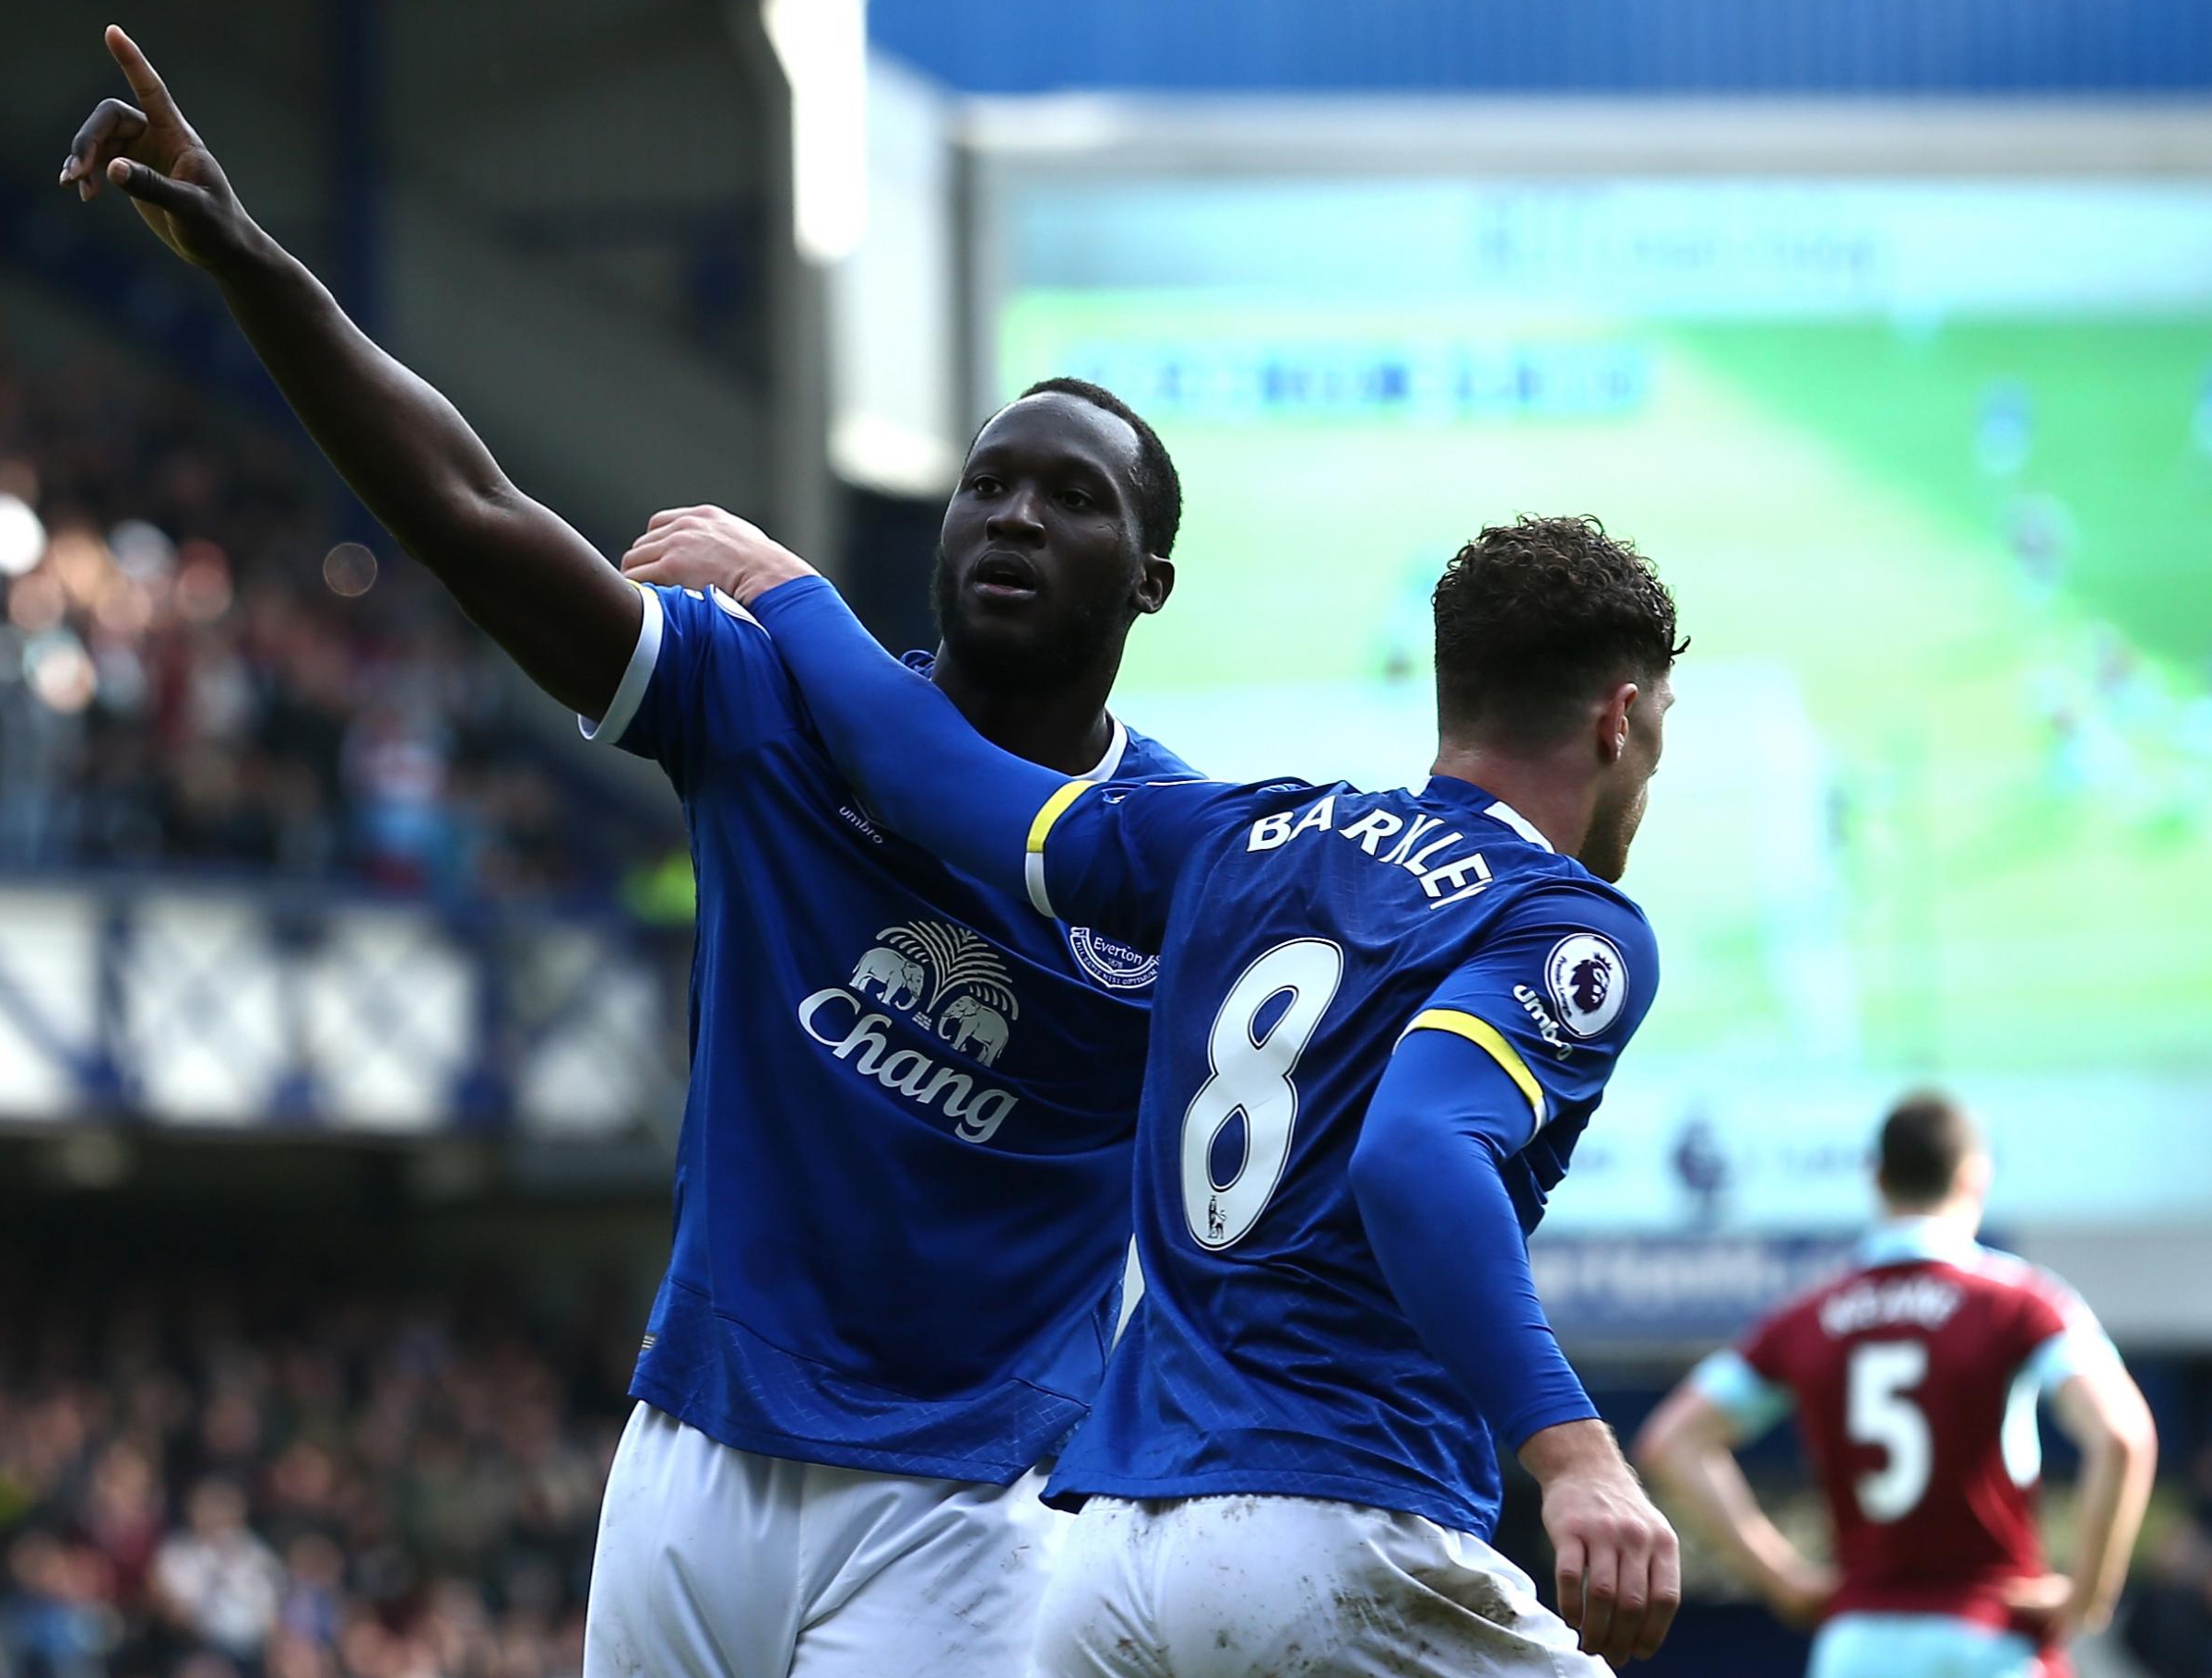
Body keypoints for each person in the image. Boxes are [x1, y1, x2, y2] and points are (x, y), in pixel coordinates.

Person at [62, 26, 1196, 1678]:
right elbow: (469, 508)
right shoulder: (769, 706)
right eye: (988, 484)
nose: (1016, 516)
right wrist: (248, 256)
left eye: (1074, 500)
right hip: (697, 1457)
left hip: (977, 1500)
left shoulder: (1170, 856)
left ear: (1151, 580)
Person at [633, 507, 1686, 1674]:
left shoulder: (1248, 835)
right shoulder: (1562, 921)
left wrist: (785, 587)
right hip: (1337, 1521)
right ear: (1620, 717)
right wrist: (1574, 1454)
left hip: (1110, 1562)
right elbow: (1417, 1151)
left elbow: (928, 777)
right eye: (1659, 730)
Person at [1634, 1093, 2159, 1678]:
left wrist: (1781, 1576)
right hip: (1988, 1637)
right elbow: (2121, 1435)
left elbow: (1671, 1442)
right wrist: (2087, 1595)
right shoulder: (2019, 1303)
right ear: (1974, 1177)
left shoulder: (1809, 1313)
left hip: (1857, 1646)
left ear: (1877, 1178)